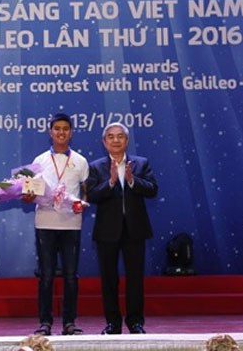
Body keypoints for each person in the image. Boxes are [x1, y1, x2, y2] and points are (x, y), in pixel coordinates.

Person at [85, 122, 158, 335]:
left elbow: (153, 189)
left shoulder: (140, 164)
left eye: (120, 136)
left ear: (127, 141)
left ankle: (136, 322)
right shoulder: (96, 166)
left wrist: (132, 180)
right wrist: (110, 182)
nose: (115, 140)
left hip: (135, 229)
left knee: (135, 279)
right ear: (104, 141)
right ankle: (113, 324)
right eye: (111, 137)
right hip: (107, 231)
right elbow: (92, 195)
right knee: (109, 280)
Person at [24, 113, 89, 336]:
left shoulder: (80, 161)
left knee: (71, 275)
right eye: (57, 129)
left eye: (65, 129)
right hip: (45, 222)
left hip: (71, 224)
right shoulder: (39, 161)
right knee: (46, 275)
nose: (61, 133)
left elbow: (86, 193)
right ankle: (45, 322)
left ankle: (70, 322)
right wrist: (28, 196)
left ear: (71, 133)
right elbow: (29, 194)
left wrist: (82, 204)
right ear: (50, 132)